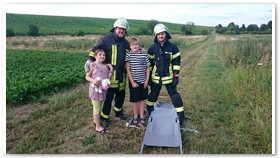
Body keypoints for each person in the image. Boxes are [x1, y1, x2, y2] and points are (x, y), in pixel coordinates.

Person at [85, 17, 130, 127]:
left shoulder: (126, 43)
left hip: (121, 75)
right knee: (108, 97)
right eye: (120, 29)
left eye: (123, 29)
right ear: (115, 28)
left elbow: (132, 53)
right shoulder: (105, 40)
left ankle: (118, 111)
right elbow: (94, 50)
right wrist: (89, 61)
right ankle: (104, 117)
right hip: (108, 75)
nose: (121, 31)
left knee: (121, 95)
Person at [146, 23, 187, 128]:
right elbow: (149, 64)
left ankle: (181, 116)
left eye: (162, 34)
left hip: (169, 77)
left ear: (166, 34)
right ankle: (149, 110)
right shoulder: (152, 48)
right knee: (153, 95)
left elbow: (176, 63)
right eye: (158, 34)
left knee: (175, 96)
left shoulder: (173, 47)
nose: (160, 36)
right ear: (155, 36)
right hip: (156, 77)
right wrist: (149, 77)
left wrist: (176, 76)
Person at [85, 49, 113, 133]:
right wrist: (94, 81)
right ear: (95, 56)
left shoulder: (105, 66)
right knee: (96, 108)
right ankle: (98, 126)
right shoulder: (92, 65)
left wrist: (111, 69)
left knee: (100, 107)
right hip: (95, 91)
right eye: (100, 55)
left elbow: (108, 77)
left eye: (104, 55)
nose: (102, 56)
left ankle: (95, 120)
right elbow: (87, 77)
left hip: (102, 91)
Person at [125, 37, 150, 126]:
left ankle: (142, 115)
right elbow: (128, 70)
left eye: (136, 44)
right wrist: (132, 82)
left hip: (143, 81)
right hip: (134, 82)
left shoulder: (144, 54)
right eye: (132, 45)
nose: (135, 46)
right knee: (135, 100)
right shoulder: (128, 55)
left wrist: (147, 80)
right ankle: (135, 116)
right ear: (130, 46)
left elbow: (147, 68)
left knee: (142, 100)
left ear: (139, 45)